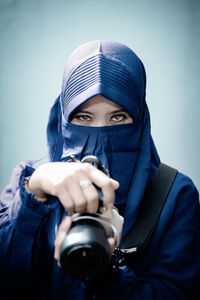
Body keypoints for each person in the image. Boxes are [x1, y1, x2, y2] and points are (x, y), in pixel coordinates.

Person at [0, 40, 200, 300]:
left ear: (139, 121)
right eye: (83, 117)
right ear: (64, 119)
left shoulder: (173, 195)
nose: (100, 135)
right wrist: (33, 196)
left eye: (118, 117)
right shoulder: (29, 185)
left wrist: (105, 273)